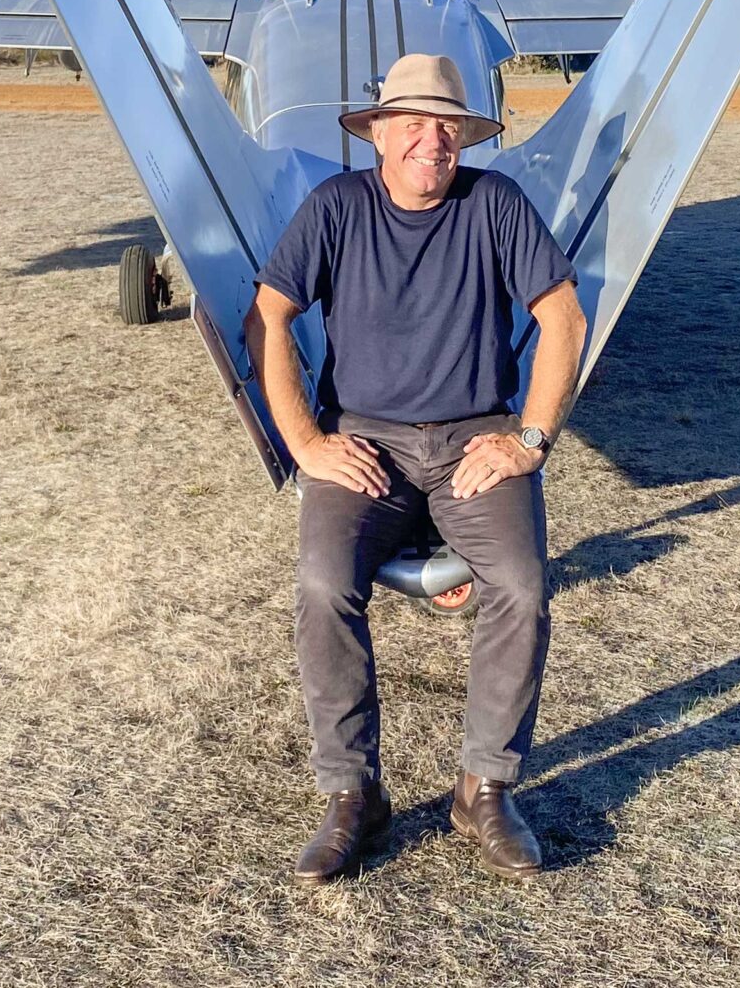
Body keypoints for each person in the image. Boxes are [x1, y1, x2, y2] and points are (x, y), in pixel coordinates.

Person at [246, 53, 587, 883]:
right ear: (379, 136)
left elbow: (563, 316)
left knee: (522, 584)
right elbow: (268, 317)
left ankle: (485, 788)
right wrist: (308, 445)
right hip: (365, 441)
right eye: (413, 126)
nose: (431, 143)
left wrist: (528, 442)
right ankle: (353, 793)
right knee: (325, 585)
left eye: (448, 129)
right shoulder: (336, 207)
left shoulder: (495, 203)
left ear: (465, 138)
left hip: (476, 440)